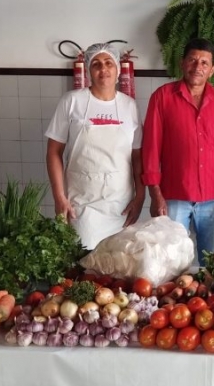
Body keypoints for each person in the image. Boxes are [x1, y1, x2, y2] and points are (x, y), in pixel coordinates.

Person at [141, 38, 214, 265]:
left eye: (205, 63)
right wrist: (155, 194)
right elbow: (151, 148)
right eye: (193, 60)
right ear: (182, 63)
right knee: (171, 261)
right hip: (174, 196)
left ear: (212, 70)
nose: (198, 67)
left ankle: (210, 301)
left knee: (213, 262)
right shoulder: (162, 97)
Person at [45, 42, 144, 250]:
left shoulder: (129, 105)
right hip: (82, 202)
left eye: (109, 63)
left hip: (120, 203)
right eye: (96, 64)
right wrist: (59, 197)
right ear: (89, 70)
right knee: (83, 259)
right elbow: (54, 152)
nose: (103, 69)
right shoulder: (72, 101)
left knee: (115, 264)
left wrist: (140, 195)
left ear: (118, 69)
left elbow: (137, 155)